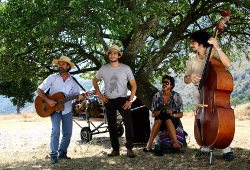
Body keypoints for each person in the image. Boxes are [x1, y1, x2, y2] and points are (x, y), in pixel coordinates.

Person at [184, 31, 234, 161]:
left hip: (213, 92)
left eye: (193, 42)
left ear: (201, 43)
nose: (191, 45)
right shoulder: (191, 60)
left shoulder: (213, 53)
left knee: (219, 118)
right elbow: (185, 79)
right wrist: (191, 77)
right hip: (198, 91)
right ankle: (204, 146)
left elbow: (228, 64)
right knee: (202, 118)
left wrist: (217, 47)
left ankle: (226, 147)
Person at [92, 44, 137, 158]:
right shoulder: (103, 68)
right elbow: (94, 81)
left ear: (118, 55)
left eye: (115, 53)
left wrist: (130, 100)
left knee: (128, 123)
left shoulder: (126, 68)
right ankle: (115, 149)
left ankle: (130, 148)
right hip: (109, 100)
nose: (112, 55)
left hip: (123, 99)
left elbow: (133, 85)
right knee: (111, 125)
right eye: (110, 53)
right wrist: (100, 95)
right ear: (108, 55)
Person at [37, 55, 83, 164]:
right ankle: (53, 155)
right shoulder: (52, 78)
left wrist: (80, 97)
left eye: (63, 64)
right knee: (56, 131)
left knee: (68, 133)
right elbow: (39, 90)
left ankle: (62, 153)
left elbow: (77, 95)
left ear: (68, 66)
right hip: (54, 110)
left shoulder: (73, 81)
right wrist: (48, 101)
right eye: (59, 63)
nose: (60, 65)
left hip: (67, 110)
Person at [143, 75, 184, 153]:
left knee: (168, 117)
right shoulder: (157, 96)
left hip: (172, 120)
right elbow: (153, 114)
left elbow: (181, 114)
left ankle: (175, 143)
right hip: (160, 121)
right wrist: (157, 113)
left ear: (171, 85)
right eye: (163, 82)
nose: (164, 84)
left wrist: (173, 114)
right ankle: (149, 144)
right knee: (159, 118)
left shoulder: (177, 96)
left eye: (167, 83)